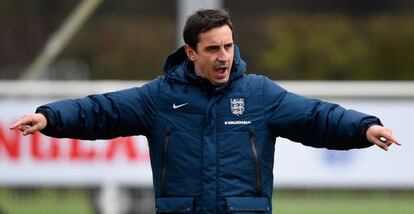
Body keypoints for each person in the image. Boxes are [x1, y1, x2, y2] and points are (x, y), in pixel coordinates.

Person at [10, 9, 399, 214]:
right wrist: (50, 117)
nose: (224, 57)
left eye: (228, 46)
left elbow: (316, 117)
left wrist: (363, 128)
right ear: (191, 52)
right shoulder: (159, 98)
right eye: (213, 49)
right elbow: (101, 110)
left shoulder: (259, 94)